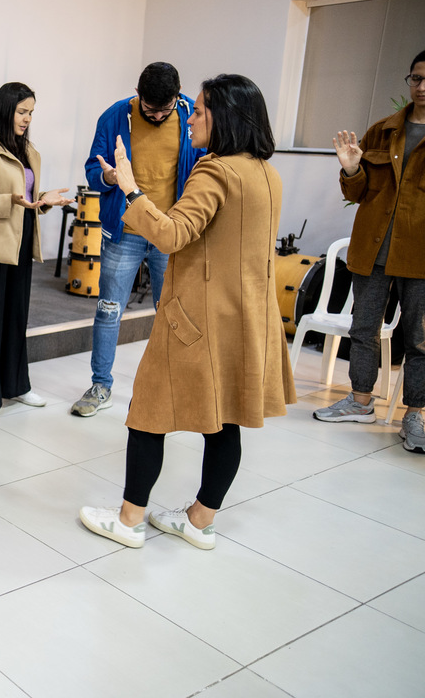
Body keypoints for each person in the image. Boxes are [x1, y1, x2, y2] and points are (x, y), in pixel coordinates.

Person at [79, 74, 296, 551]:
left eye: (198, 110)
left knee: (147, 414)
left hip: (194, 318)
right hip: (243, 316)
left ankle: (129, 520)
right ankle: (199, 520)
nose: (190, 117)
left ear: (226, 118)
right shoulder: (266, 172)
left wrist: (133, 192)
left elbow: (174, 234)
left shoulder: (215, 170)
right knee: (226, 420)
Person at [70, 63, 205, 418]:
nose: (158, 116)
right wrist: (109, 176)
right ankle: (101, 385)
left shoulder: (193, 116)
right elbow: (91, 169)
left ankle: (168, 385)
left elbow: (207, 168)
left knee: (171, 313)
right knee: (108, 311)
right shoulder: (115, 116)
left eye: (166, 109)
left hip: (171, 233)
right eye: (150, 110)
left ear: (178, 96)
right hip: (125, 231)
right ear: (138, 95)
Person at [312, 50, 425, 453]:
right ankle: (361, 402)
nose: (422, 87)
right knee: (363, 330)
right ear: (408, 80)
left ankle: (416, 416)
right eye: (416, 78)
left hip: (420, 257)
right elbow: (358, 194)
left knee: (420, 338)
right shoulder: (382, 131)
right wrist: (350, 169)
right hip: (373, 248)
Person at [0, 82, 73, 424]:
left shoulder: (28, 150)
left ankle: (15, 385)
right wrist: (9, 201)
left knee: (15, 319)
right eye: (22, 111)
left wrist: (44, 199)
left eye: (31, 112)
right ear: (5, 109)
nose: (27, 118)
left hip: (19, 242)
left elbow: (27, 197)